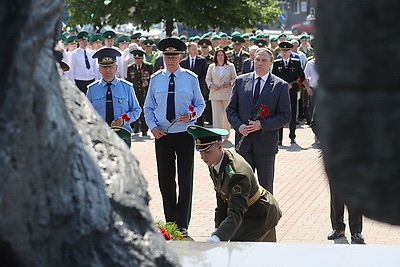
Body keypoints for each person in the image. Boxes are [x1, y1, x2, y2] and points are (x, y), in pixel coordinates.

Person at [143, 38, 205, 236]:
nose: (170, 60)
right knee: (165, 179)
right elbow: (148, 107)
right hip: (162, 134)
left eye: (174, 57)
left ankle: (182, 222)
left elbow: (200, 104)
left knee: (185, 178)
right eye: (167, 57)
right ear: (163, 57)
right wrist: (152, 127)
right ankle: (170, 221)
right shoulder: (156, 79)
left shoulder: (191, 78)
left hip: (184, 133)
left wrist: (191, 115)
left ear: (181, 57)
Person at [186, 125, 282, 242]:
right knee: (261, 256)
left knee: (239, 250)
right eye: (200, 152)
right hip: (248, 210)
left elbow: (236, 213)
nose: (203, 157)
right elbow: (221, 198)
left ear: (220, 146)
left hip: (260, 215)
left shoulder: (237, 174)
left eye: (207, 151)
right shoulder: (215, 161)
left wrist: (218, 237)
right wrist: (218, 228)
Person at [226, 48, 291, 194]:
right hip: (244, 143)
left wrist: (262, 125)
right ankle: (244, 216)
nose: (260, 63)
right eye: (257, 59)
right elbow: (230, 110)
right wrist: (239, 126)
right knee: (242, 186)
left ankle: (265, 216)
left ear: (271, 63)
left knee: (265, 188)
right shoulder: (241, 81)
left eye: (264, 60)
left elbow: (285, 115)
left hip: (266, 145)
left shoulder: (280, 85)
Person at [86, 48, 142, 148]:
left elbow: (136, 110)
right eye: (104, 67)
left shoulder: (127, 87)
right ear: (99, 69)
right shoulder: (92, 89)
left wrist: (123, 120)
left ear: (116, 67)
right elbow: (87, 114)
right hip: (100, 138)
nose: (108, 70)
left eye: (110, 66)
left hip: (122, 136)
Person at [272, 41, 305, 145]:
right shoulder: (277, 63)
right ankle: (279, 138)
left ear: (290, 51)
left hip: (292, 91)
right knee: (280, 113)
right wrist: (281, 85)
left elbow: (302, 77)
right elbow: (273, 77)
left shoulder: (295, 62)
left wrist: (293, 84)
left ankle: (292, 136)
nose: (285, 53)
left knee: (292, 113)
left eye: (287, 51)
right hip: (281, 92)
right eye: (283, 51)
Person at [205, 49, 236, 137]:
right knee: (216, 115)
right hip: (215, 93)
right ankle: (217, 134)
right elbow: (207, 79)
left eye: (222, 55)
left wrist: (229, 84)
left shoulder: (230, 66)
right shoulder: (211, 67)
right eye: (218, 55)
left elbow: (234, 78)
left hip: (226, 93)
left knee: (226, 115)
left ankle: (226, 134)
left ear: (224, 56)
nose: (220, 57)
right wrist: (211, 85)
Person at [180, 42, 209, 127]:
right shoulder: (183, 62)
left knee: (198, 106)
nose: (196, 51)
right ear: (189, 50)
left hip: (199, 87)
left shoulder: (202, 60)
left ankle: (200, 125)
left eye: (196, 49)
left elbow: (204, 74)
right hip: (187, 88)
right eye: (194, 49)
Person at [126, 49, 153, 136]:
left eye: (139, 59)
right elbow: (129, 81)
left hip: (145, 93)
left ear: (142, 58)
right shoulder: (130, 68)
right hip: (135, 93)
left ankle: (144, 129)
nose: (137, 61)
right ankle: (136, 127)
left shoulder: (148, 66)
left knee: (144, 111)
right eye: (136, 59)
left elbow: (152, 78)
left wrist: (147, 82)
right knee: (134, 110)